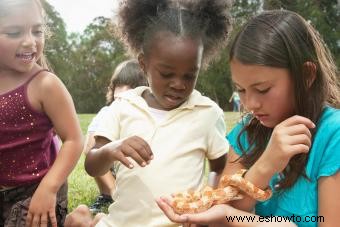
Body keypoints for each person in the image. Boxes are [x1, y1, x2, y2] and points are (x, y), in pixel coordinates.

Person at [156, 10, 340, 227]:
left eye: (262, 89)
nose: (250, 104)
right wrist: (266, 165)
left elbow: (226, 215)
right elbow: (218, 214)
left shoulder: (332, 135)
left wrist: (246, 221)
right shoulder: (248, 132)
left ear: (307, 76)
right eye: (241, 90)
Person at [64, 0, 232, 226]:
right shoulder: (124, 106)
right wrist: (112, 149)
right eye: (166, 74)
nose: (178, 84)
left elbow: (219, 167)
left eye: (189, 75)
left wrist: (207, 201)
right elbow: (92, 165)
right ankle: (89, 219)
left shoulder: (207, 113)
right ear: (143, 65)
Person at [0, 0, 83, 226]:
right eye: (15, 32)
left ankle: (77, 220)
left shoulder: (45, 85)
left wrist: (49, 188)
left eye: (37, 31)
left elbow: (74, 140)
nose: (30, 41)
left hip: (36, 191)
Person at [85, 59, 148, 214]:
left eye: (131, 86)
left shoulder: (148, 115)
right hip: (112, 174)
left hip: (139, 176)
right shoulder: (107, 113)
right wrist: (113, 190)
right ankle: (107, 195)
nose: (122, 91)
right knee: (97, 151)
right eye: (119, 85)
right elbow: (88, 149)